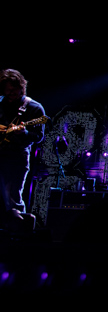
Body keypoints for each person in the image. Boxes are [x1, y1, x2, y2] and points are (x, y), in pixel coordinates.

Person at [0, 69, 46, 224]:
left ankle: (18, 230)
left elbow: (39, 137)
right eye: (7, 89)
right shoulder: (0, 103)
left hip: (16, 157)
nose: (10, 92)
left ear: (22, 86)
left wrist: (25, 133)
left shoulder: (34, 108)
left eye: (14, 89)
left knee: (12, 195)